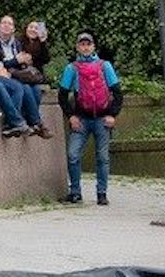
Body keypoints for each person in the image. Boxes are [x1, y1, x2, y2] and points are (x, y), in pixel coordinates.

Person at [57, 32, 122, 205]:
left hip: (102, 118)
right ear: (78, 47)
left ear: (93, 47)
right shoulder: (71, 68)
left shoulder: (104, 66)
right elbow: (62, 95)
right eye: (82, 44)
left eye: (88, 44)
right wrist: (71, 116)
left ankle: (102, 193)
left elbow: (117, 92)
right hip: (81, 119)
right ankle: (75, 192)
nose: (85, 47)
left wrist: (112, 114)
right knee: (72, 155)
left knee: (103, 157)